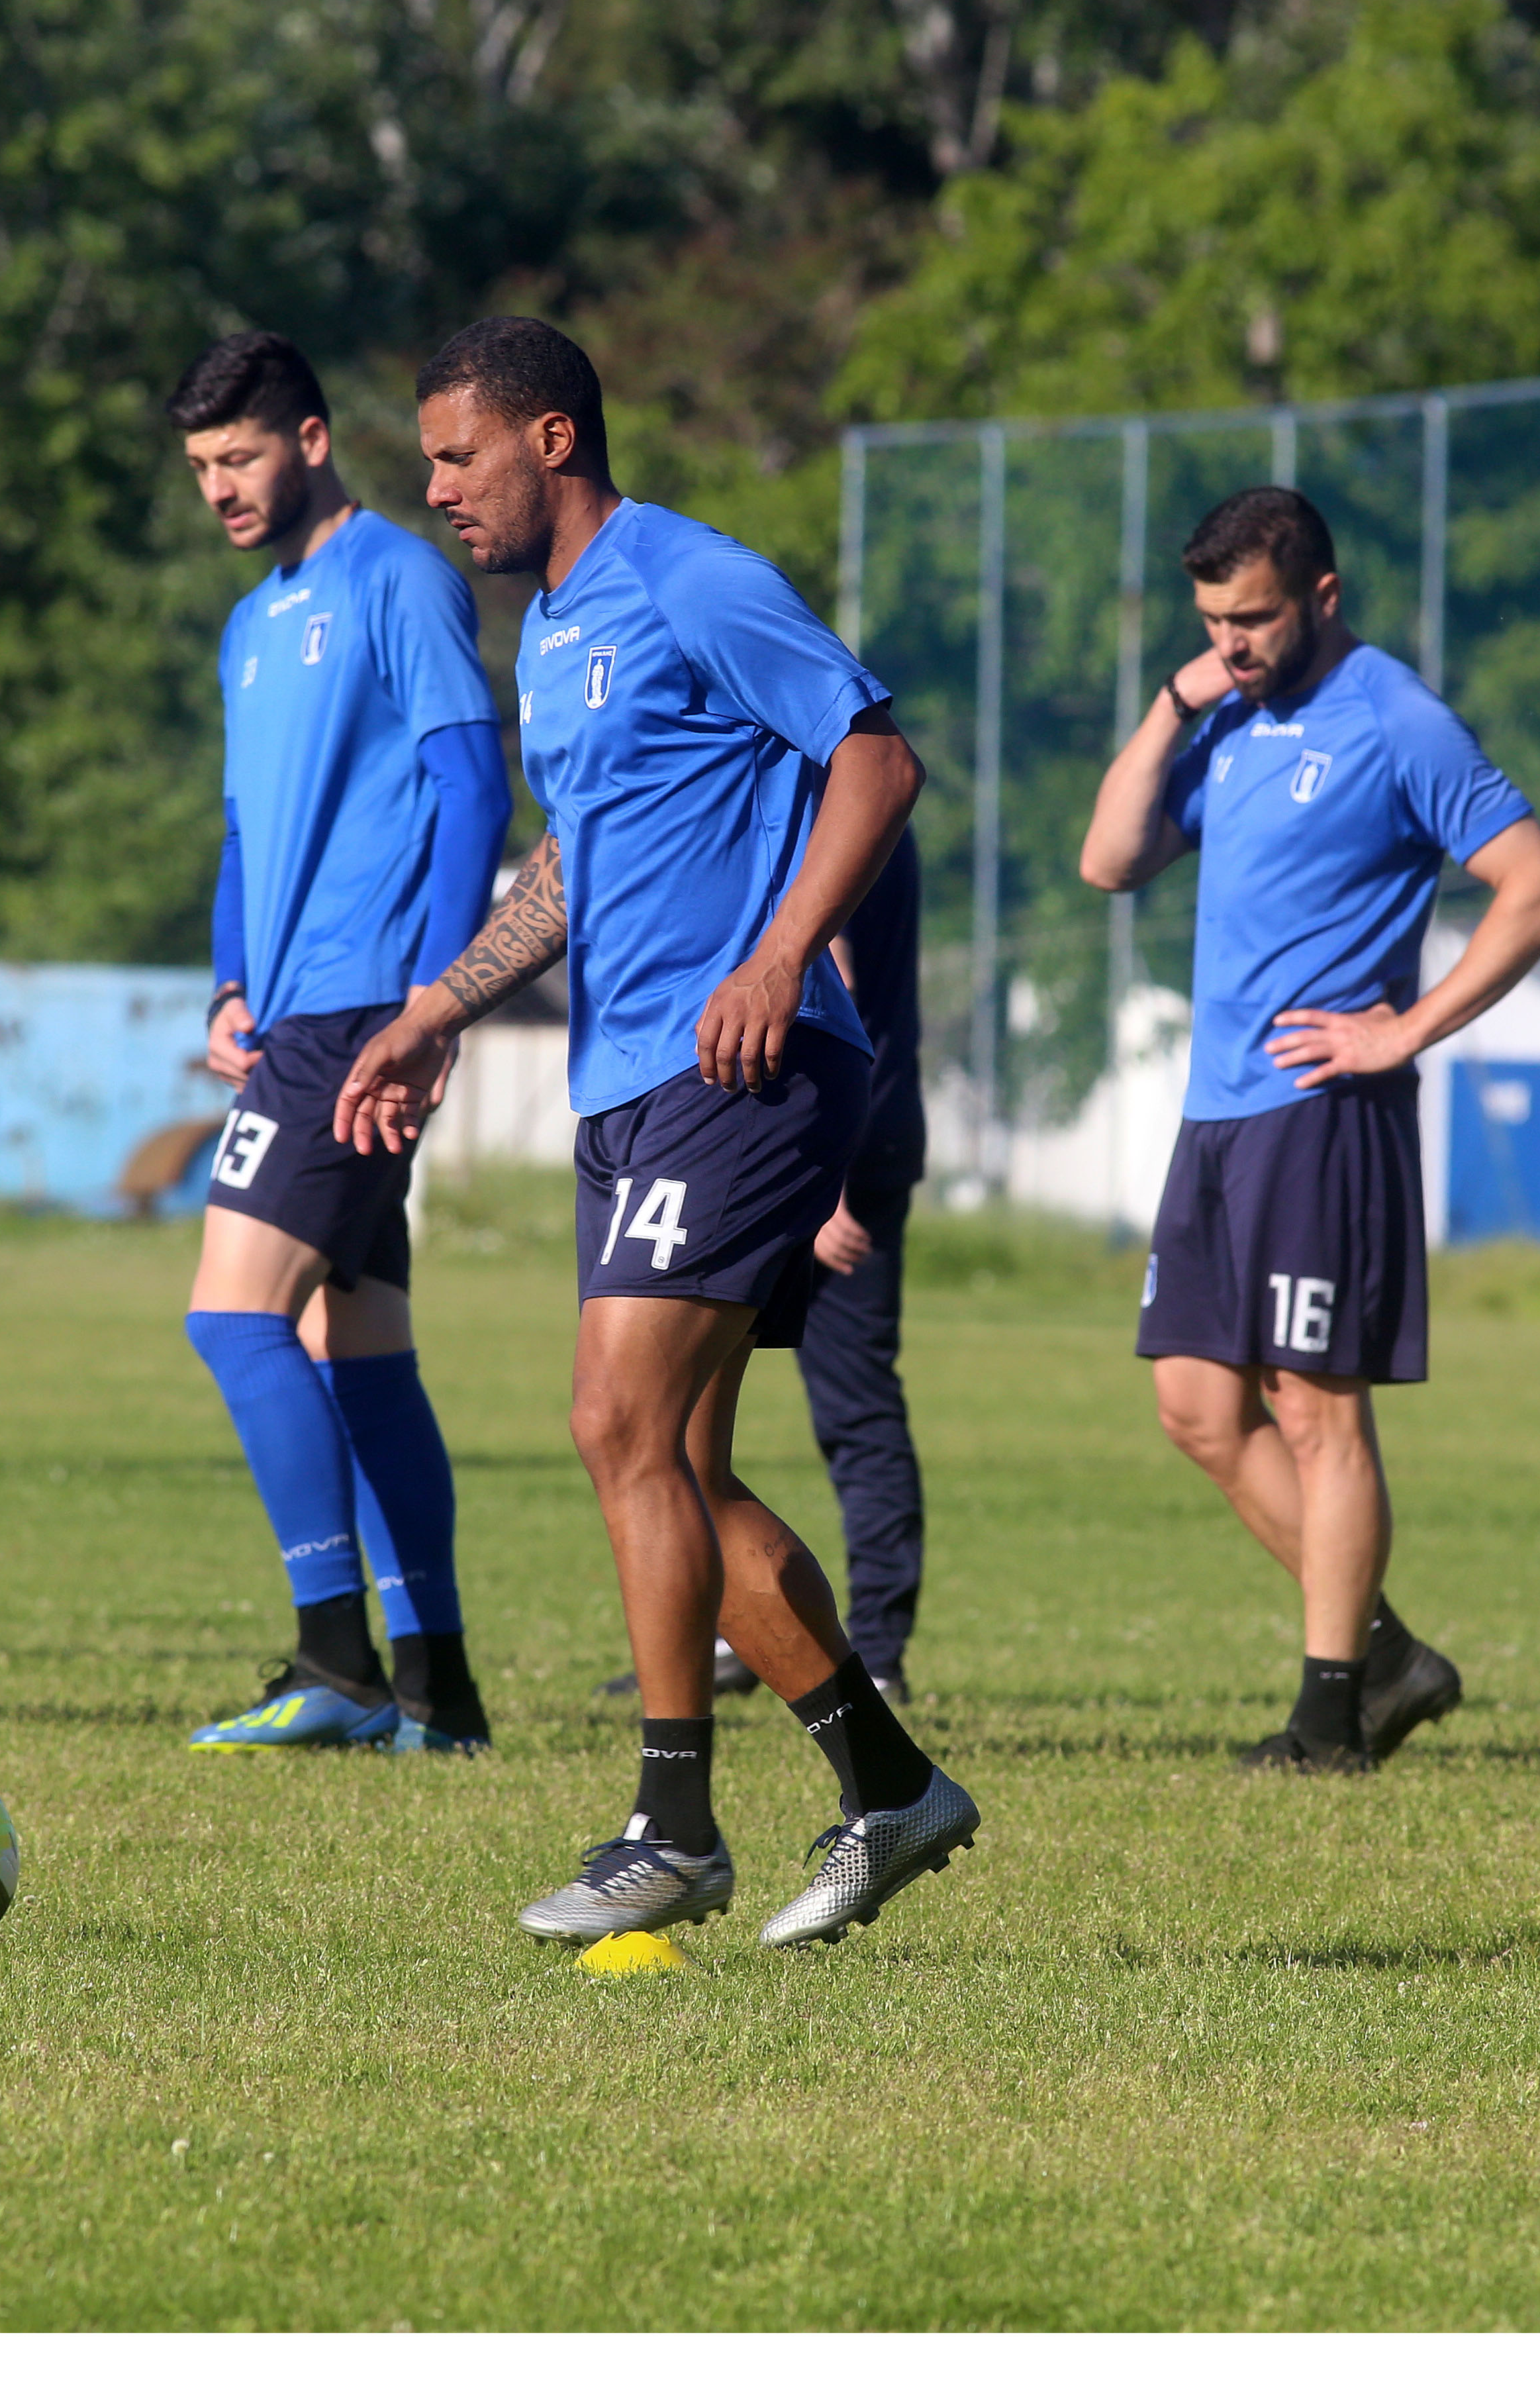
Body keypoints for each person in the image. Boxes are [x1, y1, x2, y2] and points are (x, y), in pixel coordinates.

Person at [338, 315, 978, 1949]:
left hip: (749, 1065)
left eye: (458, 454)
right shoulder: (552, 633)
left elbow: (878, 759)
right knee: (675, 1460)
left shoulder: (689, 577)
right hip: (625, 1084)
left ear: (552, 440)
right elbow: (577, 862)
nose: (437, 490)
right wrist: (442, 1003)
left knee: (613, 1419)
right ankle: (889, 1784)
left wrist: (777, 958)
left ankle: (672, 1825)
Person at [1079, 487, 1540, 1775]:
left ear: (1323, 597)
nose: (1233, 642)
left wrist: (1404, 1034)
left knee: (1316, 1413)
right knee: (1196, 1408)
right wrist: (1175, 702)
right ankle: (1387, 1655)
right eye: (1212, 621)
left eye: (1251, 618)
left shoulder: (1397, 720)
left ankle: (1328, 1721)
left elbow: (1539, 890)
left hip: (1323, 1117)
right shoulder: (1231, 716)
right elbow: (1110, 859)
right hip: (1219, 1117)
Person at [167, 330, 510, 1755]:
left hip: (364, 1005)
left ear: (311, 441)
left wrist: (436, 1001)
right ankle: (438, 1684)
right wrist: (227, 984)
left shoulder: (399, 580)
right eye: (200, 469)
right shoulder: (254, 623)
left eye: (240, 458)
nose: (221, 491)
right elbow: (250, 829)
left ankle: (336, 1661)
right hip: (292, 1007)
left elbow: (475, 779)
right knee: (357, 1341)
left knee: (233, 1314)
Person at [600, 830, 931, 1707]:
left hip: (817, 1141)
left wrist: (836, 1180)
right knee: (685, 1441)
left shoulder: (811, 795)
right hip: (803, 1128)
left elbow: (832, 976)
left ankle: (879, 1650)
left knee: (845, 1409)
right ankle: (731, 1637)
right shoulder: (801, 781)